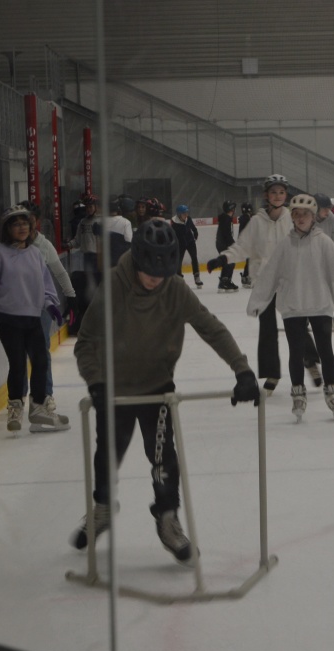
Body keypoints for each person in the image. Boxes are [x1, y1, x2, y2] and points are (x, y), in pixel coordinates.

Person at [71, 220, 260, 565]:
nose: (155, 279)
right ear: (137, 259)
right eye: (149, 271)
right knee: (107, 456)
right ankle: (102, 508)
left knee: (163, 459)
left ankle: (167, 517)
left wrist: (242, 369)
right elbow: (85, 343)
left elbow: (211, 328)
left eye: (162, 271)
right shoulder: (114, 286)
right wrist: (96, 382)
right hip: (113, 391)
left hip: (158, 388)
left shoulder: (175, 289)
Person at [246, 194, 334, 422]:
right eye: (297, 214)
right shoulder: (284, 245)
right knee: (296, 353)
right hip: (293, 306)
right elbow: (269, 275)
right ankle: (298, 392)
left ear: (313, 217)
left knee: (325, 350)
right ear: (292, 217)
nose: (301, 218)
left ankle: (332, 391)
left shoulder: (323, 242)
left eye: (305, 214)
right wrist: (257, 301)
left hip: (320, 304)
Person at [207, 174, 319, 394]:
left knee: (297, 325)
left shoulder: (292, 218)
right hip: (264, 283)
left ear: (286, 195)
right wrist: (223, 258)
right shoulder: (257, 222)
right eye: (273, 192)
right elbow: (242, 246)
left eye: (281, 192)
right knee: (267, 329)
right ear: (266, 195)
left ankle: (310, 361)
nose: (277, 196)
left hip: (289, 281)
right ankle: (272, 373)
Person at [0, 206, 68, 434]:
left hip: (32, 316)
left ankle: (38, 407)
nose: (22, 227)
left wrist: (51, 305)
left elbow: (45, 284)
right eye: (16, 224)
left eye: (25, 223)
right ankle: (15, 408)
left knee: (41, 361)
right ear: (7, 229)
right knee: (17, 363)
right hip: (8, 318)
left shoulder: (35, 253)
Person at [21, 201, 76, 422]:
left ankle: (46, 395)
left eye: (29, 220)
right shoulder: (11, 245)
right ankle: (20, 396)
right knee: (18, 353)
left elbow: (60, 273)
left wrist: (71, 296)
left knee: (41, 351)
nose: (25, 225)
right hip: (17, 307)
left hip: (41, 307)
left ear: (36, 221)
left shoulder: (43, 245)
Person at [70, 193, 100, 283]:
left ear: (96, 207)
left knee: (98, 280)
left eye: (91, 207)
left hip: (98, 255)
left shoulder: (101, 221)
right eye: (87, 207)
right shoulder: (83, 222)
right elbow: (78, 240)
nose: (88, 209)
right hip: (87, 256)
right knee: (89, 281)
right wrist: (68, 244)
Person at [170, 203, 203, 288]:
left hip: (190, 242)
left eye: (186, 213)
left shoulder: (188, 219)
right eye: (184, 213)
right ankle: (179, 277)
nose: (186, 215)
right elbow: (171, 234)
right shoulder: (174, 223)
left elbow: (193, 228)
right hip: (180, 244)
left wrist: (195, 233)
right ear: (179, 214)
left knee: (194, 258)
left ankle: (197, 276)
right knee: (179, 260)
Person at [95, 196, 134, 269]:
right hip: (120, 262)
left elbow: (98, 245)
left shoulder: (99, 222)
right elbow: (129, 245)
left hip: (104, 262)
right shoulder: (126, 222)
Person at [214, 200, 240, 292]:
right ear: (231, 209)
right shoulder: (226, 219)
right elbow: (227, 234)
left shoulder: (226, 218)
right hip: (223, 244)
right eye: (234, 208)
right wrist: (233, 244)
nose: (235, 210)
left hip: (222, 243)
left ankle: (225, 281)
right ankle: (225, 282)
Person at [238, 202, 254, 288]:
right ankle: (247, 276)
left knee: (250, 259)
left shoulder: (244, 218)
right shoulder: (246, 219)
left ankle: (245, 276)